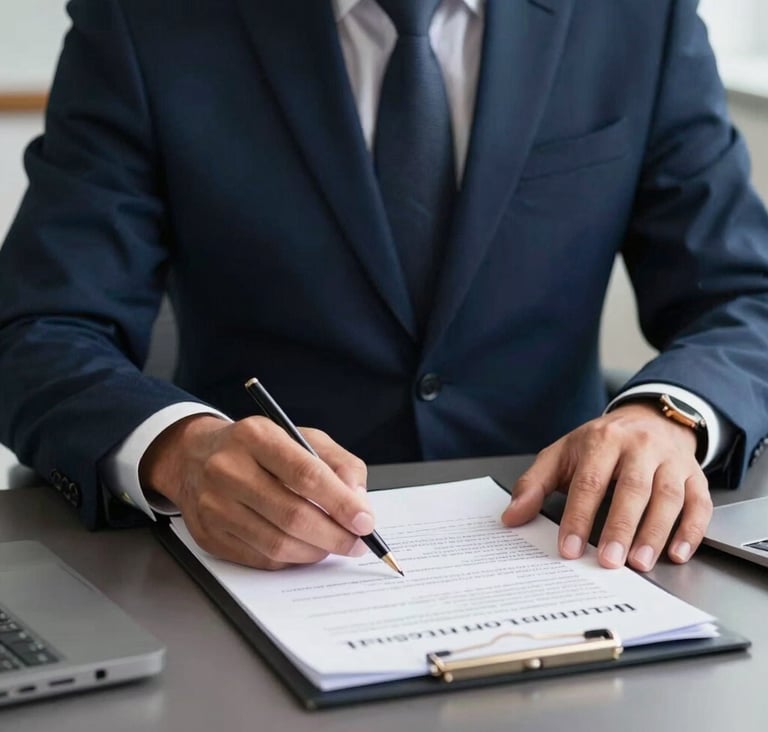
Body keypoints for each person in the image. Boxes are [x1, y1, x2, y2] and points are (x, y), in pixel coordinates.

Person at [1, 0, 768, 575]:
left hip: (570, 550)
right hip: (256, 570)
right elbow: (36, 330)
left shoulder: (637, 15)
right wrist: (179, 450)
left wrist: (669, 416)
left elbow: (744, 295)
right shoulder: (148, 19)